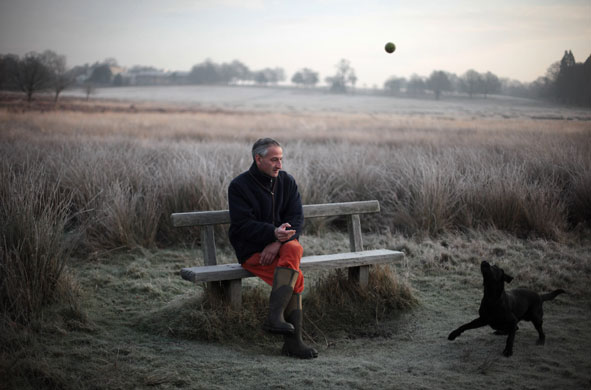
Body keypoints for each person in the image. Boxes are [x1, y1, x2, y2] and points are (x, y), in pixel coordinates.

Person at [228, 138, 318, 359]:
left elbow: (297, 218)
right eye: (274, 160)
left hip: (280, 246)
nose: (280, 165)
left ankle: (275, 317)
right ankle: (293, 342)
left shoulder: (287, 181)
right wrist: (271, 233)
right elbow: (242, 226)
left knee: (294, 250)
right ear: (258, 159)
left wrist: (277, 241)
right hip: (252, 251)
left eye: (281, 159)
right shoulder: (239, 186)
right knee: (296, 279)